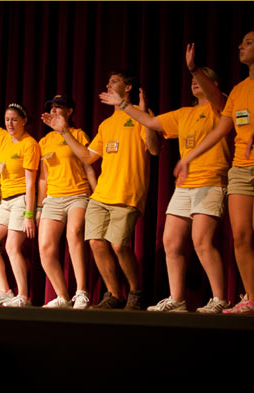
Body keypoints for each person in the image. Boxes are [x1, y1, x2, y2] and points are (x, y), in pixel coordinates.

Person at [100, 45, 231, 313]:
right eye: (193, 79)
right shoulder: (184, 113)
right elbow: (152, 124)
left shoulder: (221, 106)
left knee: (201, 241)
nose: (195, 82)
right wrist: (124, 105)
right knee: (171, 241)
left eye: (201, 79)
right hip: (185, 186)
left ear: (213, 84)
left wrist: (194, 67)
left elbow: (216, 97)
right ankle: (177, 299)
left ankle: (220, 298)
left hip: (211, 181)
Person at [174, 29, 254, 315]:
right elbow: (220, 130)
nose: (241, 46)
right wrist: (188, 158)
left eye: (249, 42)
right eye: (241, 42)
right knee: (240, 235)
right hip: (240, 167)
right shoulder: (238, 91)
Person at [43, 71, 161, 310]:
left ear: (128, 87)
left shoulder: (141, 116)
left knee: (118, 245)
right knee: (96, 242)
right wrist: (64, 131)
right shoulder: (106, 124)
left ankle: (135, 292)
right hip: (101, 194)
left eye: (114, 81)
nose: (108, 85)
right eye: (107, 81)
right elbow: (87, 157)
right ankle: (114, 294)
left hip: (127, 192)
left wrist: (145, 115)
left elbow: (155, 149)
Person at [38, 95, 97, 309]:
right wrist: (38, 205)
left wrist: (96, 193)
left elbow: (89, 166)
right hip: (53, 198)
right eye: (51, 108)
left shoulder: (79, 134)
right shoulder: (44, 142)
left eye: (58, 108)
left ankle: (81, 292)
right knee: (45, 247)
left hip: (78, 194)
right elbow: (43, 177)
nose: (53, 111)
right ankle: (62, 296)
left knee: (74, 234)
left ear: (69, 111)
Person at [0, 103, 40, 307]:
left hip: (21, 199)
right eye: (7, 119)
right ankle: (5, 290)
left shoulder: (29, 144)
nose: (10, 123)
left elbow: (31, 183)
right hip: (5, 202)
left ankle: (23, 296)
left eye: (14, 119)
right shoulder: (4, 141)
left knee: (11, 247)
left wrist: (29, 214)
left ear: (24, 120)